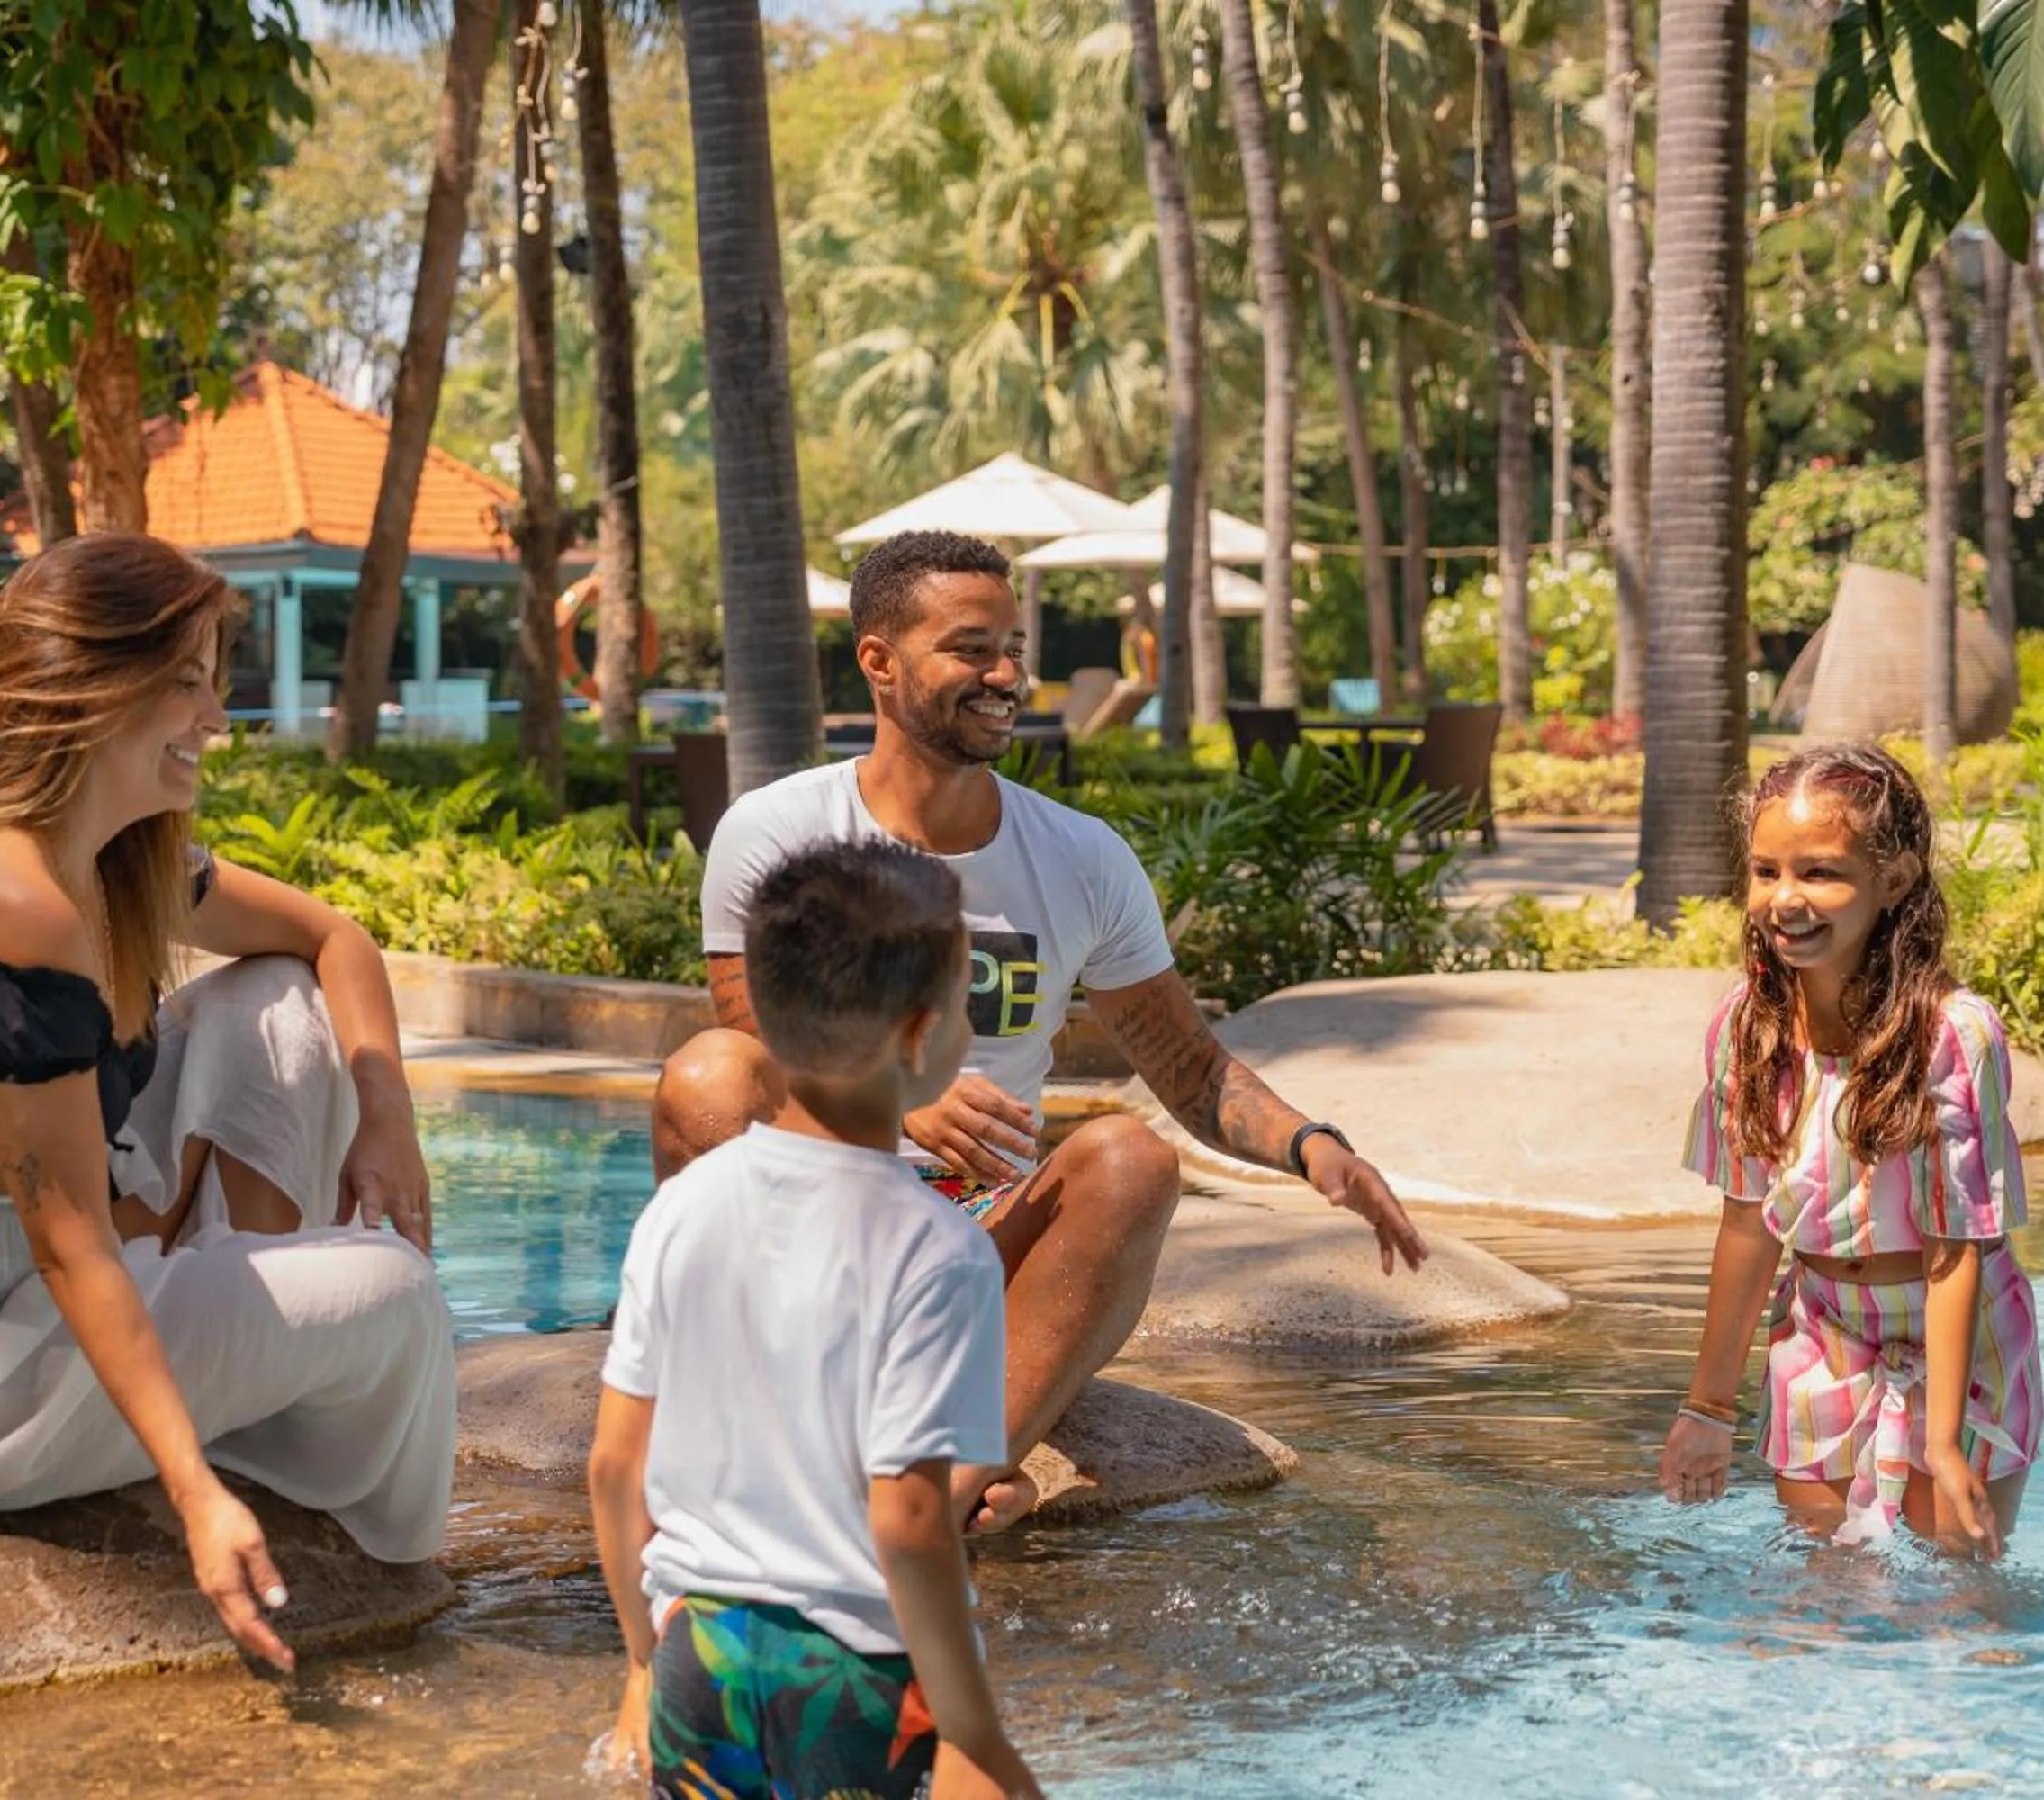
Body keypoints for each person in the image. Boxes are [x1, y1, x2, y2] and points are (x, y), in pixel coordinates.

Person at [659, 529, 1428, 1534]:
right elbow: (752, 1033)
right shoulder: (779, 829)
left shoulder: (1082, 857)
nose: (1008, 674)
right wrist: (893, 1096)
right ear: (879, 662)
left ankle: (954, 1476)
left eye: (1013, 645)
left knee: (1130, 1156)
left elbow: (1188, 1067)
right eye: (972, 648)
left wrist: (1312, 1146)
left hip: (983, 1234)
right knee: (702, 1075)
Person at [0, 532, 459, 1673]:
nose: (216, 718)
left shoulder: (105, 860)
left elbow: (333, 937)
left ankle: (249, 1389)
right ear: (88, 692)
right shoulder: (3, 899)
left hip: (26, 1279)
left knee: (275, 999)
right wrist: (193, 1495)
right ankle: (385, 1564)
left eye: (215, 680)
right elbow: (68, 1245)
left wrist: (386, 1117)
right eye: (186, 683)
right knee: (397, 1299)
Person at [590, 840, 1041, 1800]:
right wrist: (973, 1731)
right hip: (852, 1670)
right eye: (967, 1001)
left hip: (697, 1652)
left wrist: (642, 1652)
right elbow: (911, 1518)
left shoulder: (683, 1204)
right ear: (922, 1036)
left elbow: (614, 1465)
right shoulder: (937, 1248)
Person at [1660, 742, 2044, 1552]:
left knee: (1960, 1598)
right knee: (1819, 1593)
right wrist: (1708, 1409)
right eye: (1767, 871)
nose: (1785, 900)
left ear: (1893, 881)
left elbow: (1954, 1249)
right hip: (1825, 1323)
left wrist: (1942, 1441)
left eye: (1821, 873)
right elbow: (1748, 1223)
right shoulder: (1747, 1028)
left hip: (1960, 1331)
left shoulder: (1951, 1034)